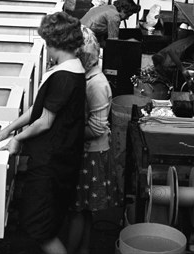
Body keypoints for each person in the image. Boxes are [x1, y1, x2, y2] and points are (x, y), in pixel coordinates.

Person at [0, 12, 86, 254]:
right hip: (56, 158)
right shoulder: (69, 69)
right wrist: (9, 129)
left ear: (55, 42)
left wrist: (17, 139)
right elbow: (38, 110)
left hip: (52, 163)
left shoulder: (65, 76)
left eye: (47, 41)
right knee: (46, 223)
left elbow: (45, 121)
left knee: (40, 228)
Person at [68, 26, 119, 254]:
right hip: (89, 152)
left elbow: (97, 127)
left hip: (91, 154)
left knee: (77, 211)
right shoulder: (88, 78)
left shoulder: (96, 84)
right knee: (84, 209)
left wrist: (67, 133)